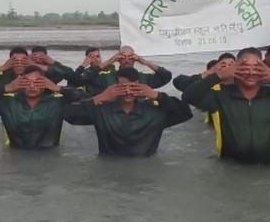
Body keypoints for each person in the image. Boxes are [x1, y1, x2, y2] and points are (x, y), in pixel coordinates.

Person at [182, 47, 270, 163]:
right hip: (230, 167)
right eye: (245, 67)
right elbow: (188, 97)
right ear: (235, 68)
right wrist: (218, 75)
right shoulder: (219, 96)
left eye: (257, 68)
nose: (251, 72)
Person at [63, 67, 193, 157]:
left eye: (133, 87)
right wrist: (100, 97)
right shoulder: (102, 111)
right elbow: (68, 115)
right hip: (109, 169)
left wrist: (157, 95)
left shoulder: (154, 111)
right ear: (113, 87)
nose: (128, 92)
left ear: (140, 86)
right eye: (122, 87)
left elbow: (186, 113)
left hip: (145, 169)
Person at [0, 65, 83, 149]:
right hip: (16, 155)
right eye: (27, 82)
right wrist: (6, 87)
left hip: (50, 154)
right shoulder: (8, 102)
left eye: (37, 82)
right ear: (19, 83)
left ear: (45, 84)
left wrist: (57, 88)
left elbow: (85, 98)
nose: (31, 86)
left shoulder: (57, 102)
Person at [78, 45, 172, 95]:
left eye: (130, 57)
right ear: (118, 60)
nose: (127, 60)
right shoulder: (107, 78)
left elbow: (166, 76)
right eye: (123, 57)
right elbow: (84, 78)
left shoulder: (143, 79)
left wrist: (144, 61)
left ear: (135, 59)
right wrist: (111, 60)